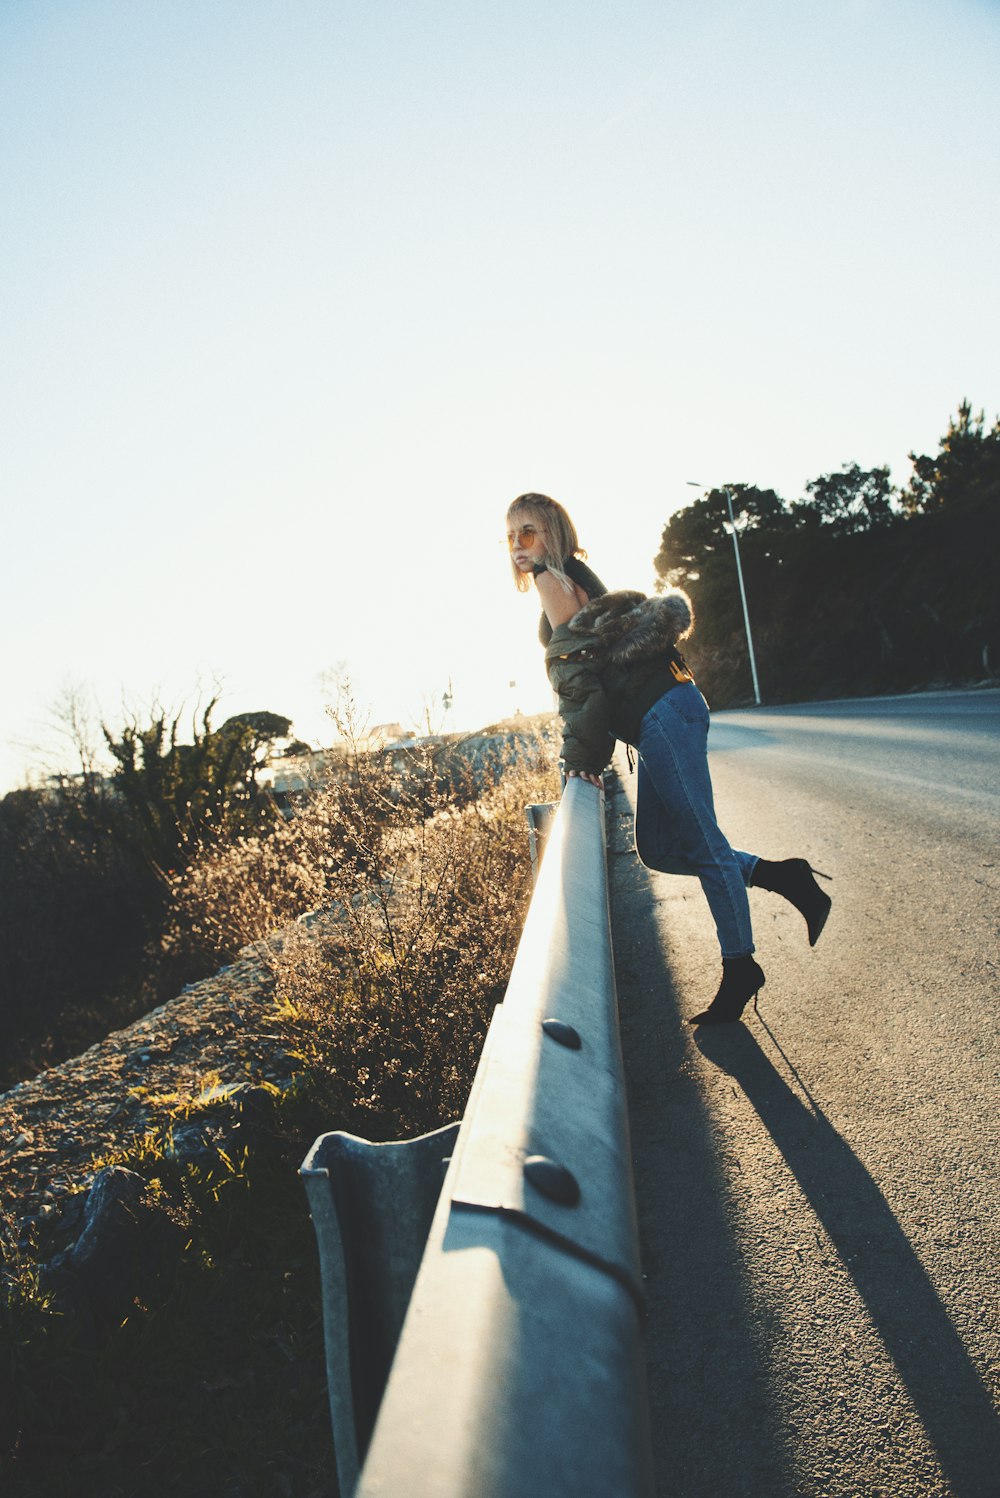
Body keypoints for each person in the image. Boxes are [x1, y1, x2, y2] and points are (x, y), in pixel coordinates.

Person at [506, 491, 831, 1025]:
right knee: (657, 847)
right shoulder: (574, 576)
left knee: (704, 845)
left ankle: (741, 966)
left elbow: (580, 683)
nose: (520, 545)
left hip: (662, 713)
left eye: (530, 532)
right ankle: (784, 877)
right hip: (665, 712)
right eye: (511, 534)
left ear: (552, 535)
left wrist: (580, 758)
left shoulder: (552, 580)